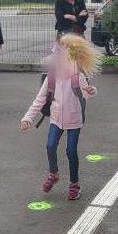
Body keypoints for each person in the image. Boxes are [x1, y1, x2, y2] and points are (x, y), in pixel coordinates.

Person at [20, 34, 100, 201]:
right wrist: (28, 118)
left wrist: (92, 91)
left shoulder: (78, 77)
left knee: (71, 151)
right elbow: (40, 99)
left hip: (74, 121)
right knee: (50, 146)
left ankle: (74, 185)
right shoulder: (51, 77)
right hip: (56, 119)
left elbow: (86, 94)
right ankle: (53, 173)